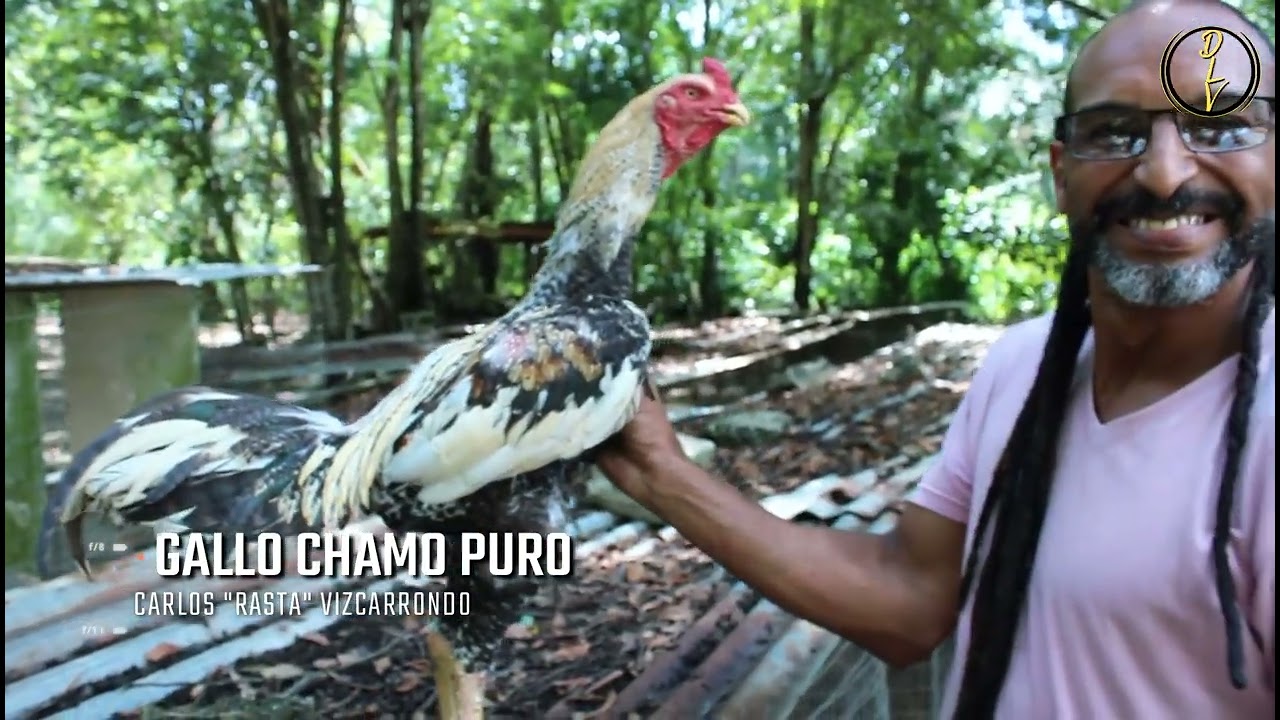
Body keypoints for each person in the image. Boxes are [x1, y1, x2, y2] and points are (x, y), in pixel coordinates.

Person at [595, 0, 1275, 717]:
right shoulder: (1022, 367)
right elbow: (911, 596)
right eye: (1113, 133)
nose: (1166, 173)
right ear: (1059, 173)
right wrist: (658, 472)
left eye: (1220, 126)